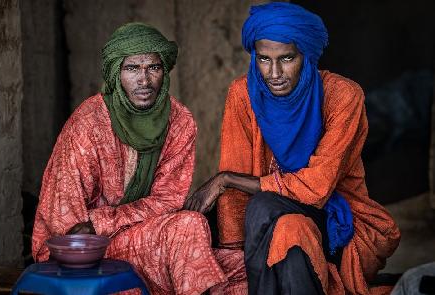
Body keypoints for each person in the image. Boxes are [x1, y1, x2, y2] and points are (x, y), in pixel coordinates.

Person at [184, 2, 401, 294]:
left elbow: (318, 187)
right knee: (289, 231)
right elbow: (236, 188)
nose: (274, 73)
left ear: (306, 56)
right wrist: (235, 254)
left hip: (338, 220)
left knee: (264, 204)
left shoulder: (342, 96)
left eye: (286, 58)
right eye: (263, 59)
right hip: (271, 222)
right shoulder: (243, 94)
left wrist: (225, 179)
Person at [32, 23, 246, 294]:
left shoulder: (180, 121)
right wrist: (97, 230)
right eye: (132, 68)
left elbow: (167, 200)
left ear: (164, 72)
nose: (144, 81)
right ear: (116, 73)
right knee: (188, 227)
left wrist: (101, 221)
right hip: (80, 250)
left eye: (153, 68)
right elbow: (70, 228)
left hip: (142, 234)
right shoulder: (88, 124)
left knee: (243, 265)